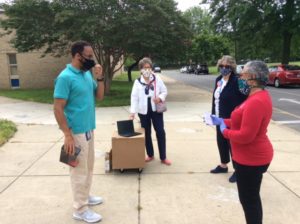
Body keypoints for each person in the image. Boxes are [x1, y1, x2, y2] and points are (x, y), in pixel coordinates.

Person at [211, 60, 274, 224]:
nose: (240, 77)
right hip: (249, 158)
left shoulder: (256, 101)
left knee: (249, 201)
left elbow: (246, 135)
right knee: (250, 198)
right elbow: (242, 120)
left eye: (243, 74)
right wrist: (222, 120)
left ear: (252, 78)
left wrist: (225, 131)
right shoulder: (253, 96)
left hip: (252, 158)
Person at [53, 41, 105, 223]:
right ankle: (80, 209)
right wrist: (67, 135)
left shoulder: (85, 75)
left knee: (88, 167)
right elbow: (58, 108)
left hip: (89, 128)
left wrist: (99, 77)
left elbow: (99, 97)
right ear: (77, 56)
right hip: (75, 133)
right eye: (89, 56)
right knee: (78, 171)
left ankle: (85, 196)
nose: (92, 60)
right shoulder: (65, 77)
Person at [210, 55, 247, 182]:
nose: (224, 68)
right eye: (221, 66)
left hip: (232, 118)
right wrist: (213, 115)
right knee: (221, 142)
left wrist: (239, 114)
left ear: (232, 67)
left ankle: (239, 170)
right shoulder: (218, 79)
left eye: (227, 66)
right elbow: (215, 99)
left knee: (233, 145)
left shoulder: (237, 81)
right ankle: (223, 165)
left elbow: (245, 100)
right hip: (219, 117)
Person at [129, 57, 171, 165]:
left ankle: (163, 157)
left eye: (149, 67)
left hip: (156, 109)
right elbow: (134, 97)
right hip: (143, 111)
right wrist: (132, 112)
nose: (147, 70)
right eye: (145, 68)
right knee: (147, 133)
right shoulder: (138, 82)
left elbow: (164, 91)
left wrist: (160, 98)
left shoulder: (157, 79)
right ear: (141, 69)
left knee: (160, 132)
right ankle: (150, 154)